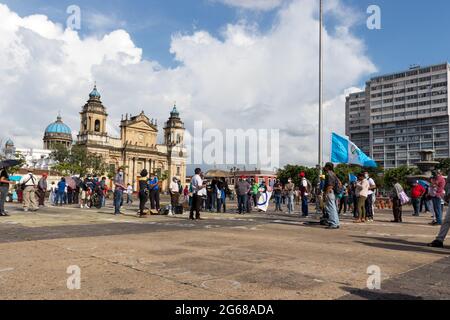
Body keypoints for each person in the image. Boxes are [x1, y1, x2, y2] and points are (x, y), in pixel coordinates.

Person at [323, 163, 340, 229]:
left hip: (329, 192)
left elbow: (330, 185)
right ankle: (336, 222)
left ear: (328, 167)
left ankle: (333, 223)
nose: (324, 167)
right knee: (333, 208)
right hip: (332, 192)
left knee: (330, 208)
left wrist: (325, 194)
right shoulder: (333, 173)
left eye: (325, 166)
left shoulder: (329, 174)